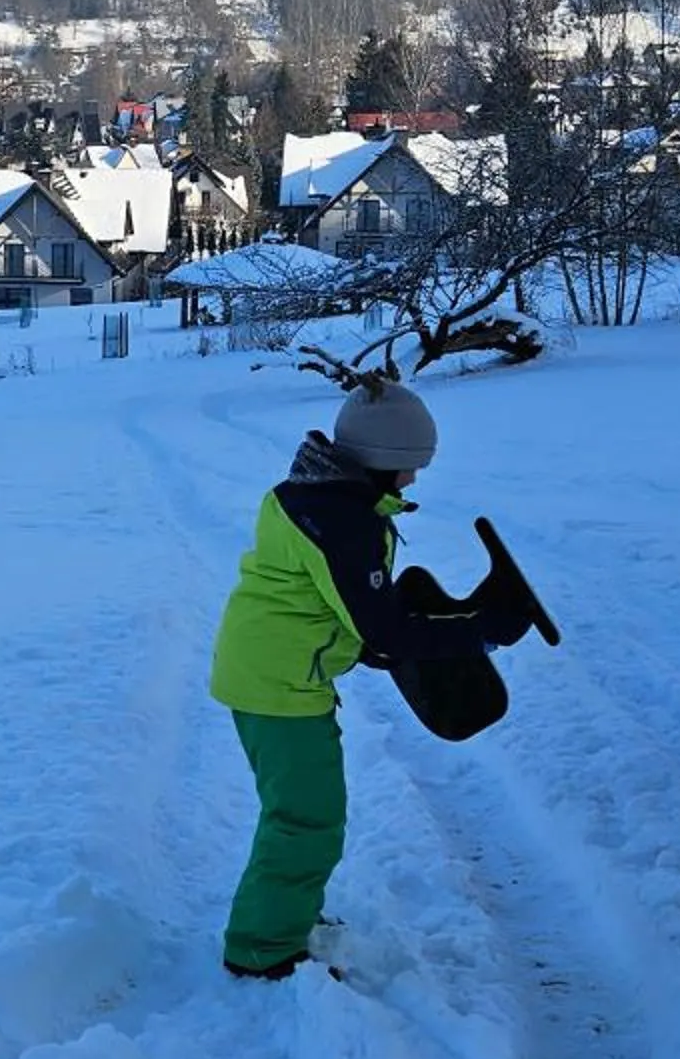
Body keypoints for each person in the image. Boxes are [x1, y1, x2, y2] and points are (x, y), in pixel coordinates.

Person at [208, 378, 531, 980]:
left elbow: (353, 609)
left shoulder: (315, 496)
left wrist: (452, 621)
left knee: (304, 811)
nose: (413, 481)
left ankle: (287, 913)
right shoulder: (340, 521)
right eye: (410, 469)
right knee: (306, 817)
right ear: (382, 462)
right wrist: (480, 632)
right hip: (278, 685)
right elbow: (385, 630)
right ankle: (263, 948)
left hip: (273, 670)